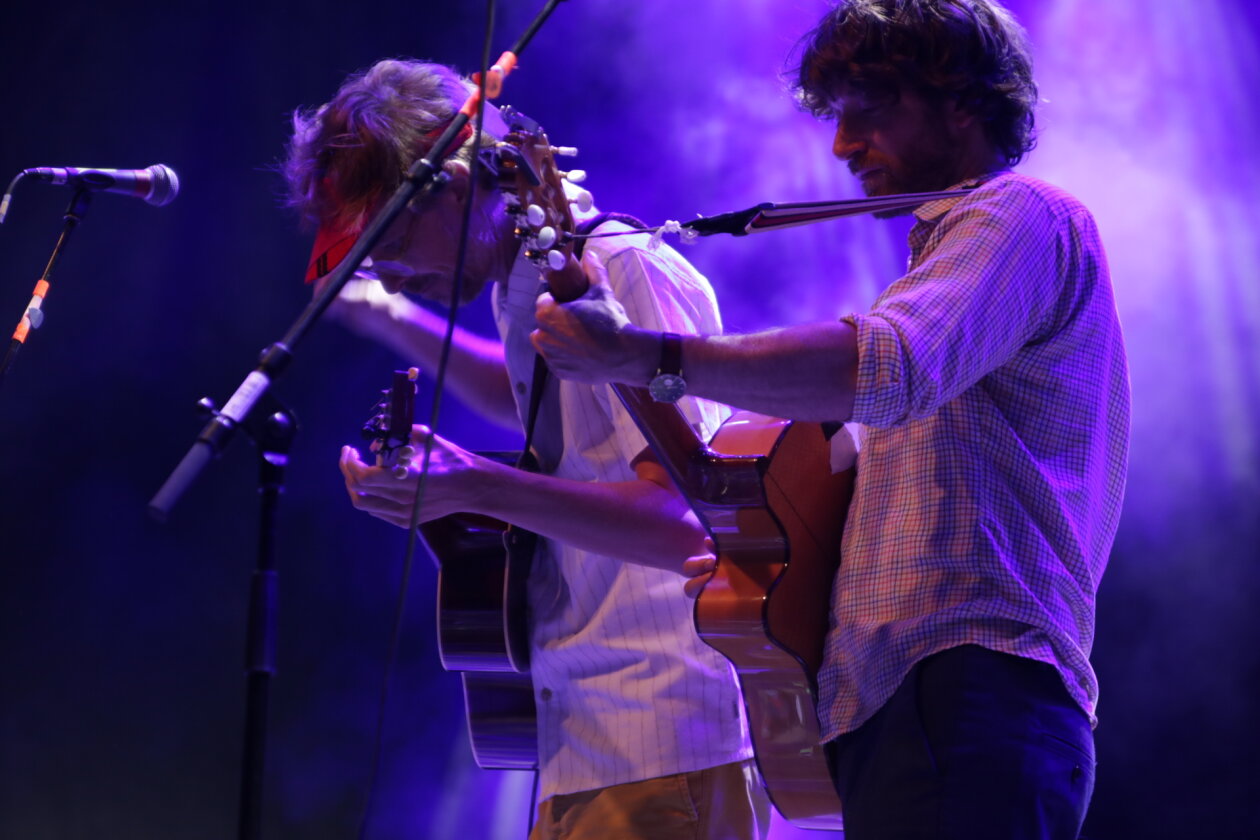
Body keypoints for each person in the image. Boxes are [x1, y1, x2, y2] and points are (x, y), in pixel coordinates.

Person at [530, 1, 1130, 838]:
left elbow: (882, 365)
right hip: (918, 705)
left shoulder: (1019, 215)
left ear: (962, 98)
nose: (843, 146)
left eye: (868, 110)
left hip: (969, 692)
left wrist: (647, 356)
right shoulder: (943, 263)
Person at [282, 59, 769, 840]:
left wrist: (473, 484)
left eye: (391, 234)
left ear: (456, 182)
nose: (384, 266)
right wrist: (384, 316)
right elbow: (538, 407)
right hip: (590, 732)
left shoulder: (617, 272)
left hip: (661, 734)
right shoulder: (524, 281)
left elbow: (690, 524)